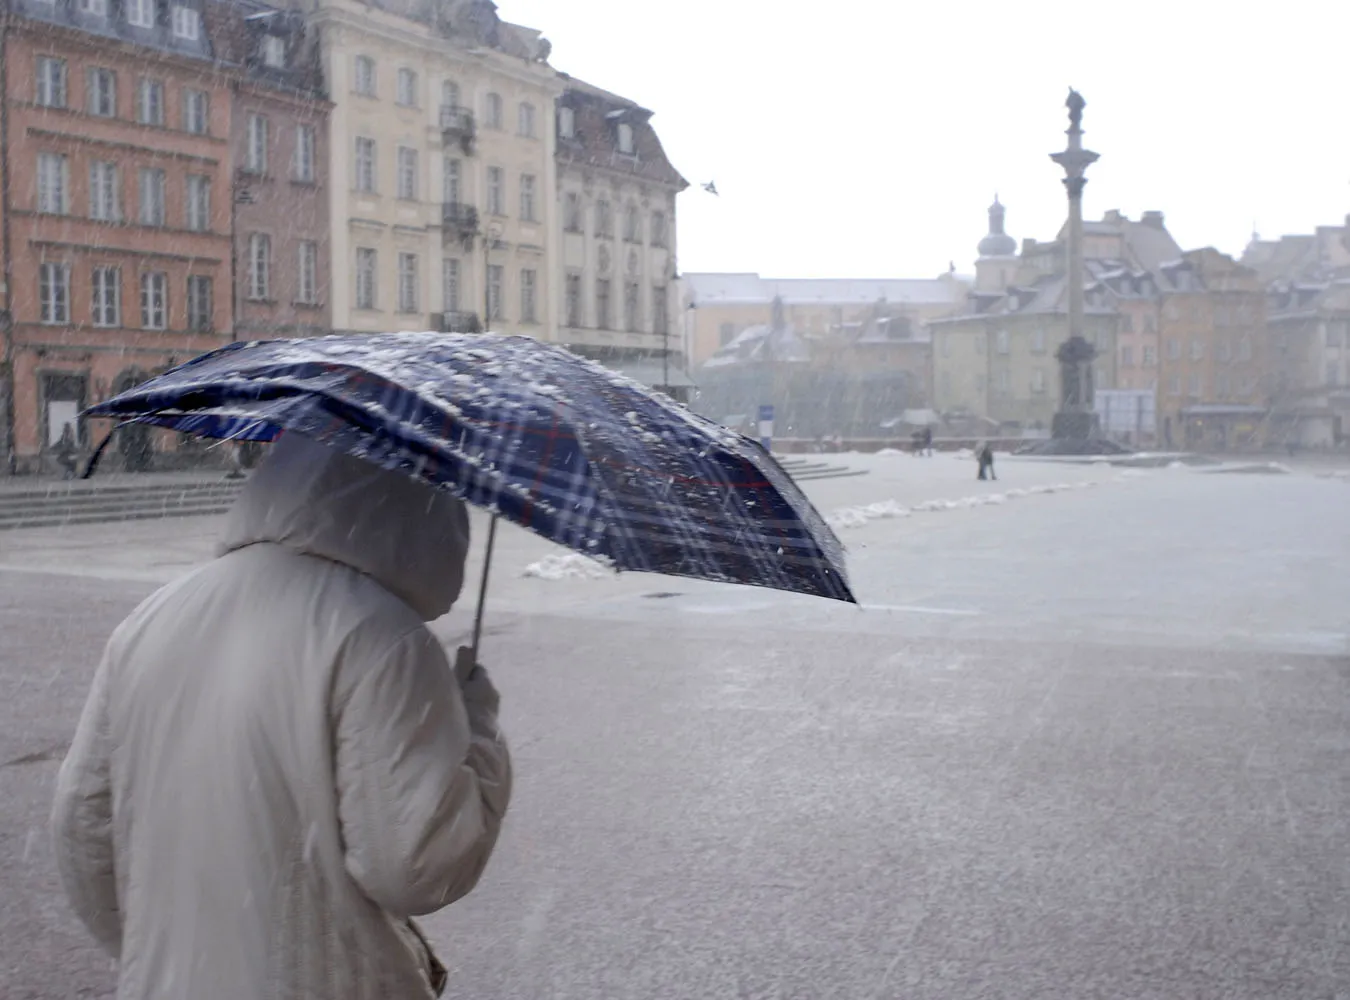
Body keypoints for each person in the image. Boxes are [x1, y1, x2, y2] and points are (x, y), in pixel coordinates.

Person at [51, 432, 511, 1000]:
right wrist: (479, 730)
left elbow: (82, 830)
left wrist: (165, 953)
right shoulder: (383, 638)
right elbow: (417, 866)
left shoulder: (155, 615)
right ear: (424, 505)